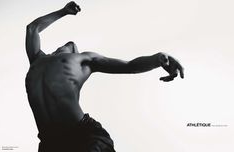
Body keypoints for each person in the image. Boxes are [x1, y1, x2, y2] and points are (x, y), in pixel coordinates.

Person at [25, 1, 184, 152]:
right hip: (50, 143)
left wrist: (157, 59)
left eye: (72, 46)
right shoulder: (37, 59)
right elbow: (32, 28)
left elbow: (129, 66)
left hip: (83, 135)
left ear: (73, 54)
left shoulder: (83, 60)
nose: (69, 43)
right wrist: (63, 11)